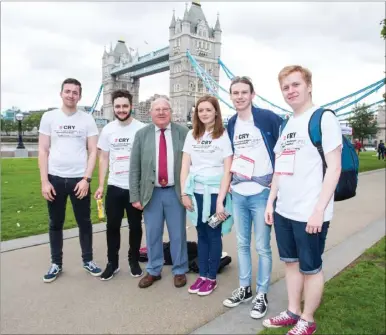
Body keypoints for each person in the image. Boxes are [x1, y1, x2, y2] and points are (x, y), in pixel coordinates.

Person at [262, 65, 342, 335]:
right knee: (291, 263)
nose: (290, 91)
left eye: (295, 85)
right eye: (285, 87)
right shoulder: (286, 124)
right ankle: (293, 310)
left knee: (311, 267)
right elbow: (279, 168)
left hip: (310, 212)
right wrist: (271, 201)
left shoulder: (324, 118)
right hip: (285, 210)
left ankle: (308, 319)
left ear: (308, 85)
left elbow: (334, 168)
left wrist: (319, 210)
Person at [222, 77, 282, 319]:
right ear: (231, 96)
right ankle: (245, 288)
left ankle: (262, 293)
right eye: (235, 93)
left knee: (262, 247)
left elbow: (284, 151)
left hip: (261, 193)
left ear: (252, 94)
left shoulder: (268, 118)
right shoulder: (232, 123)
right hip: (239, 193)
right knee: (242, 244)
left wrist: (276, 183)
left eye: (244, 92)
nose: (239, 96)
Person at [38, 78, 102, 283]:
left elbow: (93, 151)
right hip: (55, 178)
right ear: (61, 93)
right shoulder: (49, 117)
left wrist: (86, 178)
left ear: (80, 96)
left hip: (79, 180)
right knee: (55, 223)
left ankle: (88, 260)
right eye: (68, 91)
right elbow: (43, 150)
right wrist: (44, 181)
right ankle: (56, 263)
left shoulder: (87, 119)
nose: (71, 95)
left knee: (84, 222)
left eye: (75, 92)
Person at [129, 97, 189, 289]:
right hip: (151, 193)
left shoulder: (183, 133)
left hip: (175, 192)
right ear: (150, 113)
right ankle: (154, 270)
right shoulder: (142, 135)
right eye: (157, 109)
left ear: (171, 112)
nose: (161, 112)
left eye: (165, 109)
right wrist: (135, 195)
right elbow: (134, 168)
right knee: (153, 233)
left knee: (177, 233)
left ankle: (179, 270)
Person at [180, 95, 233, 296]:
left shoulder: (223, 136)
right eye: (200, 110)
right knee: (201, 233)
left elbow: (227, 169)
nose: (204, 113)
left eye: (208, 110)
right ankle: (202, 275)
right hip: (197, 195)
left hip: (214, 196)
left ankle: (212, 277)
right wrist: (184, 193)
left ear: (216, 112)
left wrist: (221, 201)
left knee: (213, 234)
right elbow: (185, 165)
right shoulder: (191, 135)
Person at [94, 89, 145, 280]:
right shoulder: (108, 130)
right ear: (113, 108)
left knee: (135, 226)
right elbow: (104, 159)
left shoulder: (141, 128)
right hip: (114, 186)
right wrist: (100, 185)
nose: (121, 109)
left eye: (125, 106)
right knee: (112, 226)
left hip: (134, 187)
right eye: (118, 106)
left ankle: (133, 261)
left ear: (131, 106)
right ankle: (112, 263)